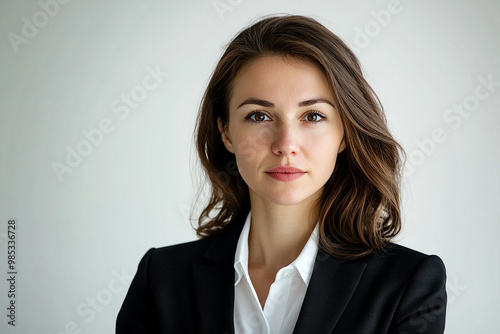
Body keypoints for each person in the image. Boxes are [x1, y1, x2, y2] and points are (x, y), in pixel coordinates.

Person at [116, 14, 447, 334]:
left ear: (344, 133)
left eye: (313, 116)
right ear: (226, 132)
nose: (286, 145)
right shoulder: (160, 279)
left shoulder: (409, 285)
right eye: (259, 116)